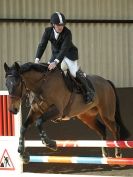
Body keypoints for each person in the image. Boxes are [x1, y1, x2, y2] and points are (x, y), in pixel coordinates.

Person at [34, 12, 94, 104]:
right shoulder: (47, 31)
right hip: (56, 54)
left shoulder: (67, 33)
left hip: (69, 54)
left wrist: (55, 62)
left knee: (74, 73)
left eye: (62, 25)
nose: (61, 27)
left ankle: (88, 92)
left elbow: (64, 49)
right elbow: (42, 45)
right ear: (53, 25)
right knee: (48, 71)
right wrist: (37, 60)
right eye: (58, 25)